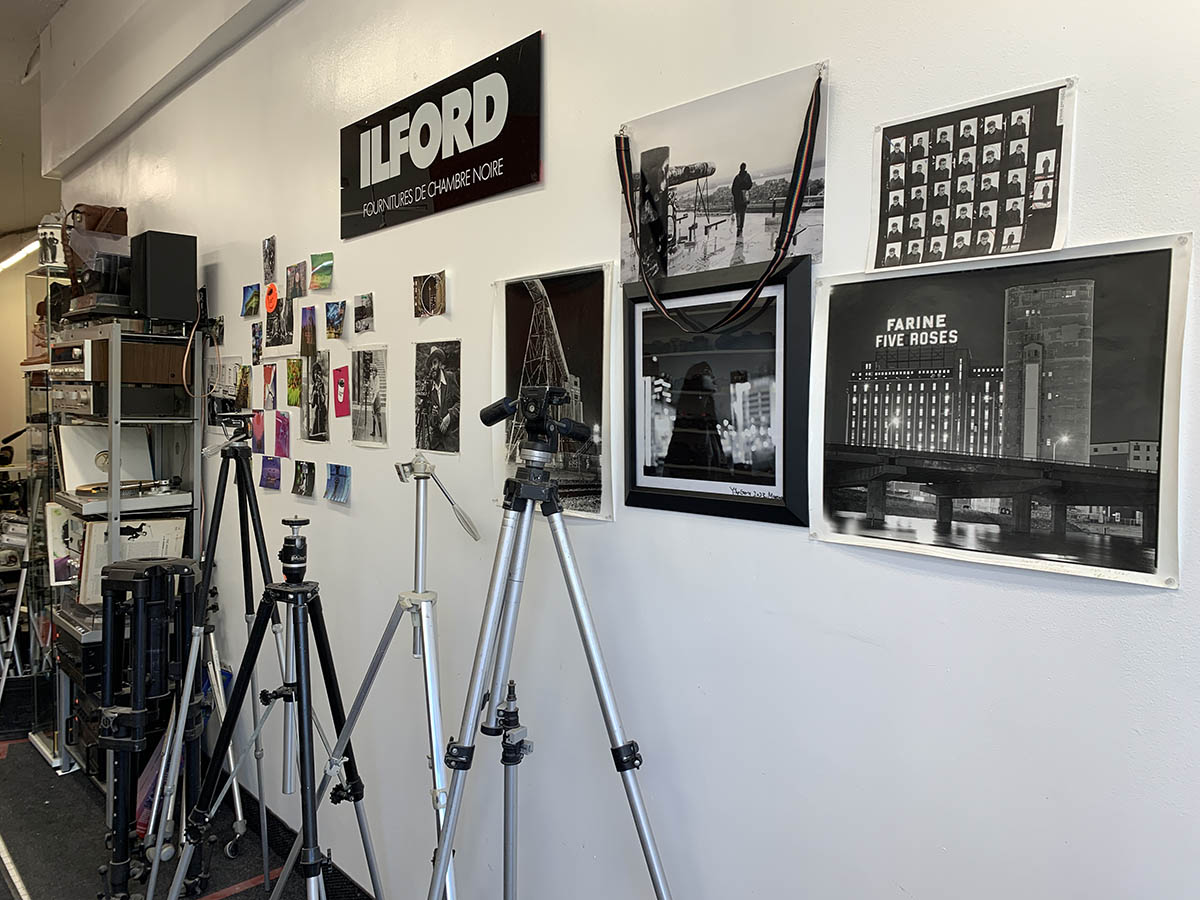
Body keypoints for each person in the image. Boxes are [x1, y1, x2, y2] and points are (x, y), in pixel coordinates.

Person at [663, 362, 728, 479]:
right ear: (696, 379)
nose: (713, 377)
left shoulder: (709, 423)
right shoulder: (689, 426)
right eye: (707, 373)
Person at [420, 346, 460, 452]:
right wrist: (434, 417)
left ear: (440, 364)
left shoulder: (450, 378)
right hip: (437, 442)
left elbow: (461, 403)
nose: (432, 368)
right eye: (430, 365)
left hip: (451, 441)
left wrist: (449, 416)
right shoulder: (430, 388)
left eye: (434, 363)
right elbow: (431, 421)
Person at [731, 163, 754, 237]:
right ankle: (741, 227)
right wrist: (745, 187)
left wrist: (737, 194)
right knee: (742, 214)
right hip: (744, 199)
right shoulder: (747, 176)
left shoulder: (737, 177)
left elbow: (733, 189)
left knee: (738, 214)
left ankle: (739, 227)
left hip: (738, 199)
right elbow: (750, 185)